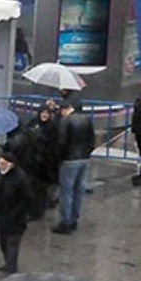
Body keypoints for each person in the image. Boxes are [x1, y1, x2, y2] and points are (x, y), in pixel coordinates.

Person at [52, 99, 94, 234]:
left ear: (65, 109)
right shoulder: (87, 120)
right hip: (84, 159)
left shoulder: (65, 121)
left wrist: (60, 157)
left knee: (66, 191)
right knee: (78, 191)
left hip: (69, 160)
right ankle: (74, 219)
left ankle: (65, 222)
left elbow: (61, 142)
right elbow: (92, 141)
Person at [0, 152, 33, 273]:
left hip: (16, 218)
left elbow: (26, 199)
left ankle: (12, 268)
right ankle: (8, 263)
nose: (1, 166)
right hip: (3, 216)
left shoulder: (21, 178)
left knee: (12, 244)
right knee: (3, 242)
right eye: (0, 164)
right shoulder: (1, 176)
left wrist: (17, 213)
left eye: (3, 164)